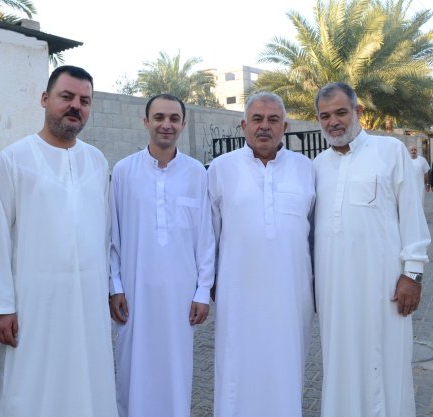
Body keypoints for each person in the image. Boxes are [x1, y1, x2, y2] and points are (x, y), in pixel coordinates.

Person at [0, 65, 117, 417]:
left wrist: (107, 289)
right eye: (66, 97)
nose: (75, 106)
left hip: (87, 300)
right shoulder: (13, 159)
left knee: (89, 380)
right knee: (31, 387)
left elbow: (103, 236)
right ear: (45, 99)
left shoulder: (96, 161)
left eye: (84, 101)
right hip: (33, 303)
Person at [313, 82, 430, 417]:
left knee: (386, 363)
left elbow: (412, 215)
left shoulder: (389, 151)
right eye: (325, 116)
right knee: (340, 363)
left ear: (358, 111)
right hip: (334, 294)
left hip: (384, 288)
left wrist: (413, 274)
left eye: (340, 113)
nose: (333, 122)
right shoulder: (317, 165)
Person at [207, 92, 315, 417]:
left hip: (291, 294)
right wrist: (207, 283)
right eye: (257, 119)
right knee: (237, 370)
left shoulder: (306, 169)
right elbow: (209, 234)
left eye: (272, 120)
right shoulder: (221, 169)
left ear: (285, 126)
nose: (264, 126)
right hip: (237, 294)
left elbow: (315, 234)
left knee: (286, 367)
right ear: (243, 125)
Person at [109, 94, 215, 417]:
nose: (166, 125)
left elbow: (206, 236)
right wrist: (115, 287)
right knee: (132, 370)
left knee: (176, 370)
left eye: (173, 118)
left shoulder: (197, 173)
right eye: (159, 117)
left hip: (180, 295)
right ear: (146, 122)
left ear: (183, 124)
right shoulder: (123, 172)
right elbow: (113, 235)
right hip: (134, 293)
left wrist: (202, 291)